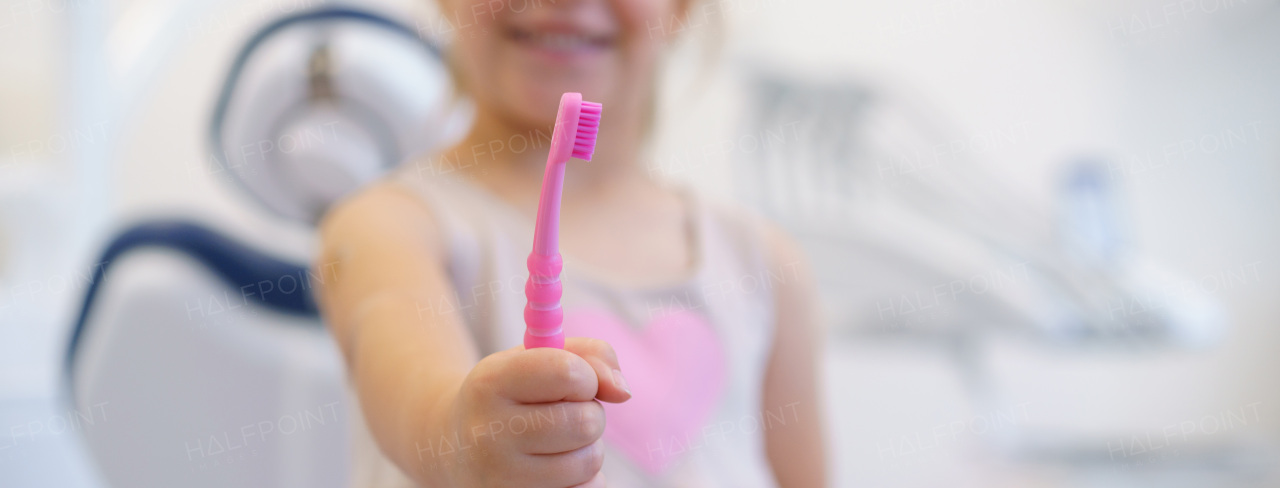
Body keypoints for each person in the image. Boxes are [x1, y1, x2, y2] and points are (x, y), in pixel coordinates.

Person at [314, 0, 826, 486]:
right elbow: (410, 391)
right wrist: (461, 443)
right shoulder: (389, 227)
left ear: (681, 9)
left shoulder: (762, 262)